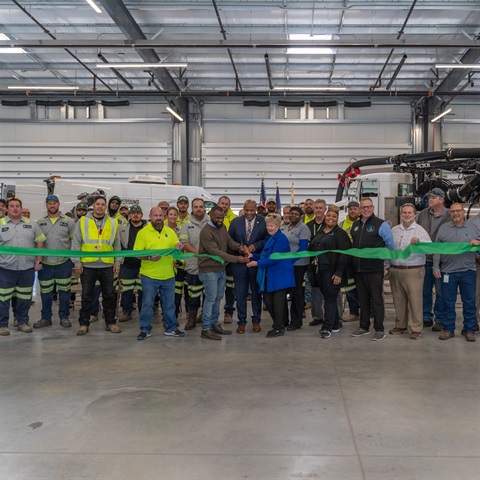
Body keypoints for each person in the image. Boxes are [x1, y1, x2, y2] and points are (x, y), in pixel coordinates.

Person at [71, 195, 122, 336]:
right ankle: (83, 324)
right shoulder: (82, 221)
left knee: (109, 295)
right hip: (88, 264)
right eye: (97, 204)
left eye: (102, 204)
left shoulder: (113, 222)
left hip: (107, 265)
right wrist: (77, 262)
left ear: (106, 207)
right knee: (87, 295)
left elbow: (117, 244)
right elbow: (76, 243)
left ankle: (110, 322)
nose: (100, 206)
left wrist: (117, 261)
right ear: (93, 205)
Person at [198, 205, 249, 340]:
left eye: (222, 217)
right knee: (210, 298)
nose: (220, 220)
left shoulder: (222, 227)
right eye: (217, 218)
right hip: (209, 270)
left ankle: (214, 324)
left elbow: (229, 241)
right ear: (210, 216)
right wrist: (237, 259)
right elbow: (217, 252)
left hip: (220, 269)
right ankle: (206, 328)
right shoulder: (206, 232)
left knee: (218, 298)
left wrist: (239, 247)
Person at [133, 206, 184, 340]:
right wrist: (149, 258)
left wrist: (178, 247)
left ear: (164, 217)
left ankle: (171, 328)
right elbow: (137, 254)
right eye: (155, 216)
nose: (158, 218)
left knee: (169, 305)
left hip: (168, 275)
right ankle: (145, 330)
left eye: (161, 215)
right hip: (149, 275)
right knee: (147, 305)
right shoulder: (143, 233)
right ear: (150, 217)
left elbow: (176, 248)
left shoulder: (170, 232)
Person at [433, 203, 479, 342]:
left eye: (458, 211)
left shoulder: (473, 228)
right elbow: (436, 249)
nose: (455, 213)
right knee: (448, 302)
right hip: (448, 272)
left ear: (463, 212)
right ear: (450, 213)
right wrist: (436, 267)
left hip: (468, 271)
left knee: (470, 302)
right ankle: (448, 329)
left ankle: (470, 330)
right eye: (452, 211)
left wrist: (478, 243)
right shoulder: (443, 228)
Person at [350, 197, 394, 341]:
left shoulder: (381, 225)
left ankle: (379, 328)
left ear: (373, 208)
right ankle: (363, 327)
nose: (366, 209)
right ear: (360, 209)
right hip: (358, 269)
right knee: (362, 299)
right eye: (363, 207)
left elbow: (390, 245)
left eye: (368, 207)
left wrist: (386, 263)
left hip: (374, 269)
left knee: (376, 300)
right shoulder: (355, 225)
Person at [0, 197, 45, 336]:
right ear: (7, 209)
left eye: (17, 206)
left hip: (26, 268)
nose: (15, 208)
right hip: (6, 268)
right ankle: (2, 325)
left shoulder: (31, 224)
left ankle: (22, 322)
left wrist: (38, 262)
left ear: (21, 208)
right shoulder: (0, 224)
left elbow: (40, 242)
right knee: (3, 298)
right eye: (12, 206)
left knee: (24, 298)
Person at [246, 213, 295, 338]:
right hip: (271, 275)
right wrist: (253, 256)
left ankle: (279, 328)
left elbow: (274, 258)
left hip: (280, 275)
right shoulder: (270, 238)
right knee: (269, 301)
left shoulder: (281, 239)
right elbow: (265, 254)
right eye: (267, 225)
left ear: (278, 226)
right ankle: (279, 324)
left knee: (277, 303)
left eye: (271, 225)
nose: (269, 228)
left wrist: (257, 263)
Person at [388, 204, 432, 340]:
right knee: (398, 300)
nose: (407, 215)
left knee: (415, 300)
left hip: (413, 271)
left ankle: (415, 328)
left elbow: (430, 249)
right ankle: (400, 325)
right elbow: (388, 249)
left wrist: (419, 243)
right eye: (404, 212)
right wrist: (389, 266)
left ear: (414, 215)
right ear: (401, 214)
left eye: (409, 213)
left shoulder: (420, 231)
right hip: (396, 270)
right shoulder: (394, 230)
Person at [309, 205, 351, 338]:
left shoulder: (340, 234)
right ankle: (334, 325)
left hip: (331, 272)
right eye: (329, 216)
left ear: (338, 219)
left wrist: (339, 273)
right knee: (328, 298)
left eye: (334, 216)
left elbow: (344, 255)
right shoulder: (321, 231)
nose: (331, 218)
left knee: (330, 299)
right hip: (319, 271)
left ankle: (327, 327)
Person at [34, 194, 76, 329]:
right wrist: (38, 261)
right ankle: (45, 318)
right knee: (46, 293)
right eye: (49, 203)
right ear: (46, 205)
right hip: (45, 264)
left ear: (59, 204)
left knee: (64, 293)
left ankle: (64, 317)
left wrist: (73, 260)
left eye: (54, 203)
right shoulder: (40, 222)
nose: (52, 206)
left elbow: (73, 242)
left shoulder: (69, 221)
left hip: (63, 263)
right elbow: (37, 242)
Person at [228, 199, 267, 334]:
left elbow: (267, 239)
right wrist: (239, 248)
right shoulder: (235, 222)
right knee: (240, 294)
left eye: (252, 210)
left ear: (256, 209)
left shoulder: (263, 221)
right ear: (243, 209)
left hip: (256, 263)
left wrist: (255, 246)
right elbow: (229, 240)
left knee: (256, 294)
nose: (249, 213)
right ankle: (241, 322)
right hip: (239, 263)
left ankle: (256, 321)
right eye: (247, 210)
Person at [416, 187, 451, 331]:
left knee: (441, 291)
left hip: (443, 261)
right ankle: (426, 317)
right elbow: (417, 230)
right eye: (429, 197)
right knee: (425, 291)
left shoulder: (449, 215)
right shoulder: (423, 214)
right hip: (425, 259)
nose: (430, 199)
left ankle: (440, 318)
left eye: (434, 197)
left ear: (442, 200)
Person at [179, 198, 209, 330]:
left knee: (208, 294)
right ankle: (191, 318)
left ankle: (206, 317)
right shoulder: (186, 224)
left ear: (204, 208)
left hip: (209, 265)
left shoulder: (211, 222)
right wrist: (198, 252)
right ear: (192, 208)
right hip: (193, 265)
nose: (198, 209)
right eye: (196, 207)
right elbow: (184, 243)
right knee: (193, 294)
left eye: (201, 207)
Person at [281, 206, 311, 330]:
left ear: (301, 216)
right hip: (285, 265)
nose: (293, 216)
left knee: (297, 293)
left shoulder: (303, 228)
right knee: (283, 293)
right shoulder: (285, 227)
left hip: (298, 265)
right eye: (291, 213)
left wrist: (290, 260)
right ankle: (284, 320)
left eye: (296, 214)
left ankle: (296, 322)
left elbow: (303, 248)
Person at [117, 204, 147, 322]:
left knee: (143, 291)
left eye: (138, 213)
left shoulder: (147, 228)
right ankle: (126, 312)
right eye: (133, 213)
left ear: (142, 215)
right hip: (127, 265)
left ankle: (143, 313)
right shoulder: (122, 228)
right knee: (127, 291)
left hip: (143, 265)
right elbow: (118, 245)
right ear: (129, 215)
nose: (135, 215)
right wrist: (118, 262)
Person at [339, 201, 361, 322]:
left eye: (355, 209)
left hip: (362, 261)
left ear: (359, 210)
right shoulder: (341, 224)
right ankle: (353, 312)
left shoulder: (363, 222)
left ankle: (368, 312)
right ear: (348, 210)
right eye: (351, 209)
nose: (353, 211)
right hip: (347, 262)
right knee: (350, 287)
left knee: (364, 287)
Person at [307, 198, 327, 326]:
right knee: (314, 290)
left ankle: (335, 317)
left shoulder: (330, 224)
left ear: (325, 209)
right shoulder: (308, 226)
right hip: (312, 263)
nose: (318, 210)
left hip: (327, 262)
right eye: (316, 208)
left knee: (331, 291)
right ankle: (317, 316)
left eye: (321, 208)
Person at [217, 195, 236, 323]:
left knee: (230, 287)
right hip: (214, 258)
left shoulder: (235, 219)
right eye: (222, 203)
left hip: (230, 259)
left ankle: (228, 312)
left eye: (226, 204)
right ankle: (206, 313)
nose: (224, 206)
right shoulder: (211, 217)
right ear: (218, 203)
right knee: (212, 289)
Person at [167, 206, 188, 317]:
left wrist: (180, 262)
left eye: (175, 214)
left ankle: (174, 315)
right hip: (165, 265)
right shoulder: (163, 229)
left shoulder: (182, 229)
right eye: (170, 214)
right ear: (167, 216)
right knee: (166, 293)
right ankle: (167, 315)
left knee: (177, 292)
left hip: (179, 265)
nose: (173, 217)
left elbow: (185, 248)